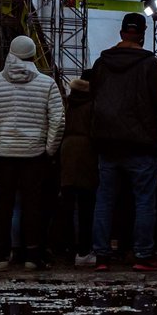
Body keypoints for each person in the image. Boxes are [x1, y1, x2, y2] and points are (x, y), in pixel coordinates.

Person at [0, 34, 65, 270]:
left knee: (3, 204)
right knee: (33, 204)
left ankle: (1, 256)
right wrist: (49, 149)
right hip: (35, 153)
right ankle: (32, 256)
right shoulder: (47, 83)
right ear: (33, 55)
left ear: (11, 54)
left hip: (3, 153)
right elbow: (58, 120)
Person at [90, 12, 157, 271]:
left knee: (105, 200)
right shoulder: (151, 64)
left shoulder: (102, 63)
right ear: (143, 35)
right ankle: (143, 255)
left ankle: (102, 256)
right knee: (144, 200)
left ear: (122, 32)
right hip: (141, 143)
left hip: (107, 141)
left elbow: (94, 95)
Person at [59, 71, 99, 266]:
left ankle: (67, 248)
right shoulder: (93, 104)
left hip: (66, 149)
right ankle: (84, 249)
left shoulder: (68, 102)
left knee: (67, 202)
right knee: (86, 204)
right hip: (87, 151)